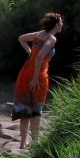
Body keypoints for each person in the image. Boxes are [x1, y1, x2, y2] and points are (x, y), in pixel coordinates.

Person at [12, 12, 64, 149]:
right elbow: (41, 57)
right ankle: (35, 143)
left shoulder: (39, 34)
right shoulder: (52, 39)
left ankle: (22, 144)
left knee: (24, 108)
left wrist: (30, 52)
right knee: (36, 108)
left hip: (25, 71)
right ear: (57, 24)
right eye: (61, 22)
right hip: (39, 75)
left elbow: (21, 38)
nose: (63, 24)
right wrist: (35, 78)